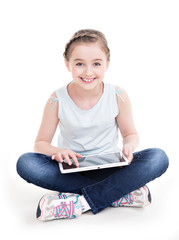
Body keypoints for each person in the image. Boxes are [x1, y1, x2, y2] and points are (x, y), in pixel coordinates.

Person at [16, 29, 169, 221]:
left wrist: (128, 146)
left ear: (107, 64)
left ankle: (81, 203)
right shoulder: (57, 99)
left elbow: (130, 134)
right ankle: (118, 194)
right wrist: (58, 151)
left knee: (158, 157)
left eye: (96, 64)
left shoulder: (117, 95)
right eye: (79, 64)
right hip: (72, 168)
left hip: (110, 166)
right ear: (67, 64)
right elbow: (40, 144)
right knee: (26, 163)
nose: (88, 72)